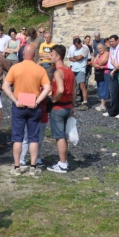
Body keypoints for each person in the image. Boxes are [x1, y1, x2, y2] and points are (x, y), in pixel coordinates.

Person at [1, 43, 51, 176]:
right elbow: (47, 88)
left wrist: (15, 100)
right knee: (33, 137)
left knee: (17, 137)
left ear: (23, 54)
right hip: (34, 106)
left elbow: (5, 86)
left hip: (19, 105)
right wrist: (38, 100)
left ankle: (17, 167)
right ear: (34, 55)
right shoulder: (40, 70)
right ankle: (33, 167)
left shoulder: (15, 68)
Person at [47, 44, 75, 174]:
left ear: (58, 56)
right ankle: (64, 160)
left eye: (51, 55)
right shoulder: (69, 71)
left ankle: (62, 164)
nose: (49, 57)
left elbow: (61, 90)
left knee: (60, 136)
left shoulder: (58, 72)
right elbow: (74, 91)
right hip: (68, 106)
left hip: (59, 107)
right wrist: (73, 106)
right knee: (64, 135)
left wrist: (53, 99)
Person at [67, 37, 91, 108]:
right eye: (75, 45)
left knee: (82, 86)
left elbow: (80, 58)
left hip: (81, 69)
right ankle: (74, 101)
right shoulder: (74, 48)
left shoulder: (85, 48)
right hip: (74, 69)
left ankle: (85, 102)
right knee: (74, 87)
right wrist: (75, 58)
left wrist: (75, 58)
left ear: (80, 43)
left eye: (77, 45)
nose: (76, 46)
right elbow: (70, 58)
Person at [92, 39, 109, 113]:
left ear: (104, 48)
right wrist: (98, 65)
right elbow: (93, 64)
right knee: (99, 87)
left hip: (104, 73)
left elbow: (102, 63)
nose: (99, 50)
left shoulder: (106, 54)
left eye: (101, 48)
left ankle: (103, 105)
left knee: (104, 87)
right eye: (98, 49)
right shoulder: (99, 54)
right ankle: (102, 104)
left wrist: (98, 59)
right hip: (99, 72)